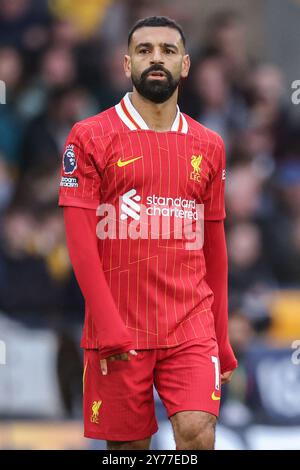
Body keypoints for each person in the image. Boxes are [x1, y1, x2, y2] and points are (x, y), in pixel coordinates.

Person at [58, 16, 237, 451]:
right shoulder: (90, 136)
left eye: (168, 50)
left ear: (186, 65)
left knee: (197, 432)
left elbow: (215, 247)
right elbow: (80, 242)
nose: (156, 59)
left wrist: (222, 335)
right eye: (144, 50)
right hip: (120, 326)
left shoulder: (209, 144)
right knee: (128, 451)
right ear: (126, 64)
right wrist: (107, 321)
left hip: (190, 324)